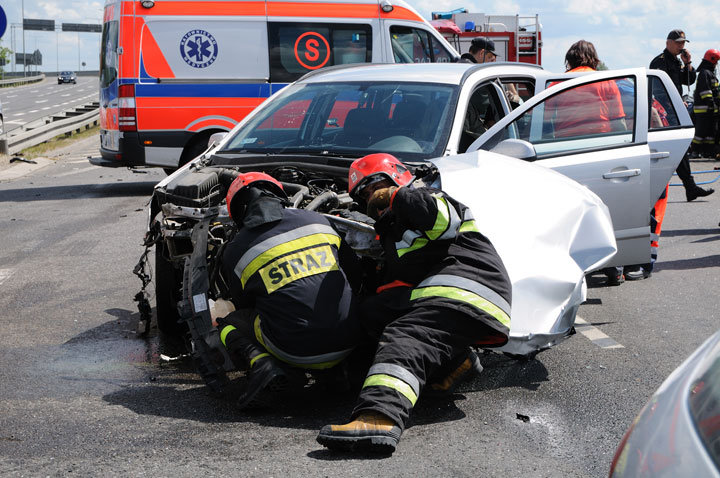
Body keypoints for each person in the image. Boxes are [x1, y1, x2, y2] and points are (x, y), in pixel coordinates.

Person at [316, 153, 512, 454]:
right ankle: (455, 362)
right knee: (373, 312)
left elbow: (442, 219)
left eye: (376, 186)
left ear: (397, 178)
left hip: (468, 288)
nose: (372, 196)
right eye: (364, 194)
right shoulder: (393, 234)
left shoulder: (428, 196)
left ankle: (379, 416)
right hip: (447, 293)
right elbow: (400, 283)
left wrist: (397, 196)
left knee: (407, 335)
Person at [216, 172, 363, 409]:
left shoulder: (236, 250)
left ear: (238, 211)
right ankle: (337, 370)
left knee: (230, 323)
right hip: (351, 339)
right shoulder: (319, 221)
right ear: (279, 195)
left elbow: (245, 304)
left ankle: (263, 365)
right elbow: (355, 275)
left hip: (294, 351)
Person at [650, 29, 714, 202]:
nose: (681, 46)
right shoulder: (659, 62)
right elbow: (659, 90)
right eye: (678, 43)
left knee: (679, 149)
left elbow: (689, 81)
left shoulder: (678, 62)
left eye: (683, 43)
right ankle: (686, 187)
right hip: (666, 112)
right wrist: (674, 102)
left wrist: (688, 64)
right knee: (676, 149)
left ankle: (689, 187)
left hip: (676, 109)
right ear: (668, 43)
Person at [691, 49, 720, 158]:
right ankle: (694, 151)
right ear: (712, 60)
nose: (717, 64)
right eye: (716, 61)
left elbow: (715, 92)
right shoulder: (705, 73)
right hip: (704, 110)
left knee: (710, 133)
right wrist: (712, 104)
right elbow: (706, 92)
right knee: (701, 132)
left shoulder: (709, 73)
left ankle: (707, 151)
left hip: (710, 110)